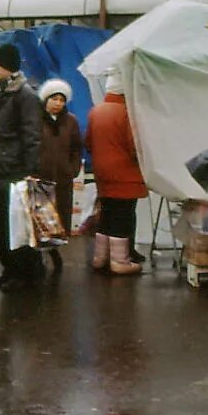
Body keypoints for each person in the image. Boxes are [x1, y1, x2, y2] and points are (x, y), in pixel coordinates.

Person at [0, 44, 42, 291]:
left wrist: (30, 169)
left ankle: (25, 272)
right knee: (0, 224)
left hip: (13, 170)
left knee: (16, 226)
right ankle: (9, 268)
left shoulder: (24, 95)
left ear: (11, 67)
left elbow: (32, 134)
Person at [84, 74, 146, 276]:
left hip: (102, 172)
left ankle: (100, 258)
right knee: (124, 214)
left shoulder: (96, 111)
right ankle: (120, 261)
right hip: (125, 173)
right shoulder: (127, 112)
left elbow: (88, 143)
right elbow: (134, 146)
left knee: (108, 213)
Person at [36, 79, 83, 276]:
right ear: (46, 99)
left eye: (61, 100)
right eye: (54, 99)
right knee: (40, 218)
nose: (58, 103)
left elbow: (76, 147)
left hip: (63, 178)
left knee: (59, 217)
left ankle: (54, 251)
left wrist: (72, 169)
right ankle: (39, 254)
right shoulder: (35, 119)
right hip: (40, 177)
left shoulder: (70, 121)